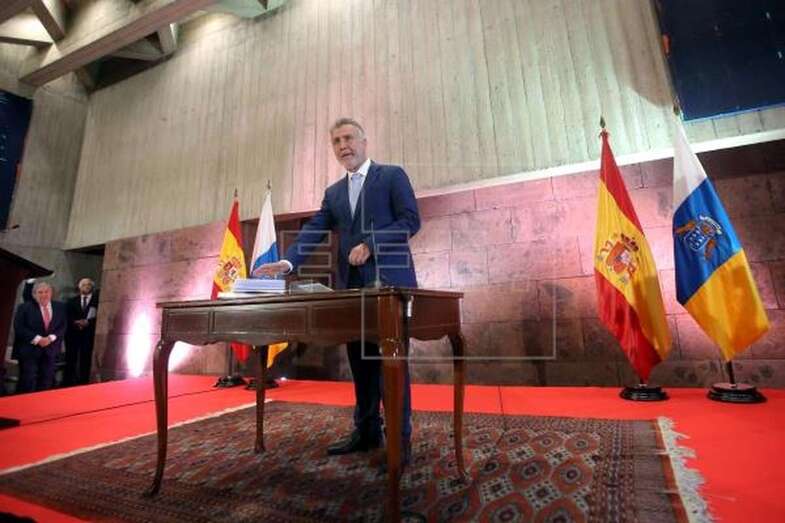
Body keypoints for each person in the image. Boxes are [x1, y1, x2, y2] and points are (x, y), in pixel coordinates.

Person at [254, 117, 420, 463]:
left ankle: (399, 440)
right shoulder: (333, 194)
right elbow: (314, 229)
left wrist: (372, 244)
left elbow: (410, 221)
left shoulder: (391, 176)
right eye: (336, 141)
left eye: (348, 138)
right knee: (359, 362)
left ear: (364, 141)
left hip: (391, 286)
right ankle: (367, 430)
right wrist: (287, 264)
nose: (343, 145)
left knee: (392, 363)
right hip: (351, 291)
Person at [12, 281, 66, 393]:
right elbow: (19, 327)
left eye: (46, 292)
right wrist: (38, 339)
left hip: (50, 350)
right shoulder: (24, 307)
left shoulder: (60, 307)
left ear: (51, 293)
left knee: (46, 381)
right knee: (28, 381)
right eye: (40, 292)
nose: (44, 295)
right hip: (29, 351)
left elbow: (63, 326)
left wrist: (50, 338)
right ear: (34, 295)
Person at [64, 278, 99, 386]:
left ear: (92, 287)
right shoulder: (71, 301)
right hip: (73, 335)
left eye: (89, 284)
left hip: (88, 335)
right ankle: (68, 383)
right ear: (79, 287)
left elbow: (100, 316)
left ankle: (83, 383)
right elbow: (67, 317)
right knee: (70, 359)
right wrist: (76, 322)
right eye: (84, 284)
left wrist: (88, 322)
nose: (86, 286)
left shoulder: (97, 300)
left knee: (86, 359)